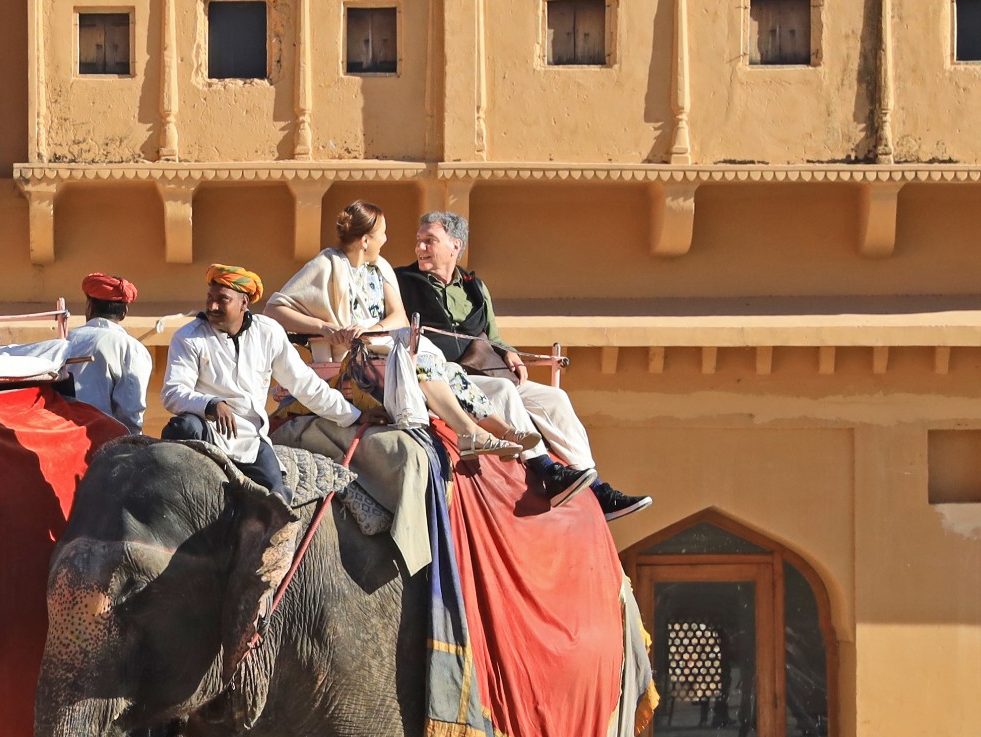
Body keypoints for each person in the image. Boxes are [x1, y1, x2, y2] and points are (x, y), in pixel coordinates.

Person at [397, 211, 652, 519]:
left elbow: (493, 335)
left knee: (555, 398)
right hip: (444, 380)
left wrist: (509, 353)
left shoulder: (474, 286)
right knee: (503, 391)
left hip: (484, 372)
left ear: (454, 245)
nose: (420, 248)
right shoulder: (402, 281)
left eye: (429, 241)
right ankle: (545, 469)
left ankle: (596, 485)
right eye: (419, 241)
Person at [264, 201, 532, 459]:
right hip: (355, 358)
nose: (386, 239)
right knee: (422, 360)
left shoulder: (379, 267)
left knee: (450, 370)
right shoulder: (327, 264)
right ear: (366, 240)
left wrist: (375, 328)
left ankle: (503, 431)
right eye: (382, 233)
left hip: (382, 345)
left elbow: (399, 316)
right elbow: (274, 310)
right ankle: (469, 432)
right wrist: (327, 329)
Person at [159, 264, 361, 499]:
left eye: (222, 299)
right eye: (209, 298)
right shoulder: (188, 337)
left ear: (244, 303)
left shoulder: (269, 333)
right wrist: (211, 404)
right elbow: (173, 392)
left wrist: (354, 415)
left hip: (251, 439)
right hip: (207, 429)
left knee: (277, 501)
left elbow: (305, 385)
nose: (212, 306)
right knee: (183, 427)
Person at [64, 272, 154, 432]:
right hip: (105, 441)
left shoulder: (64, 340)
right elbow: (131, 411)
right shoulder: (132, 348)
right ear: (124, 312)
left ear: (89, 307)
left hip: (62, 435)